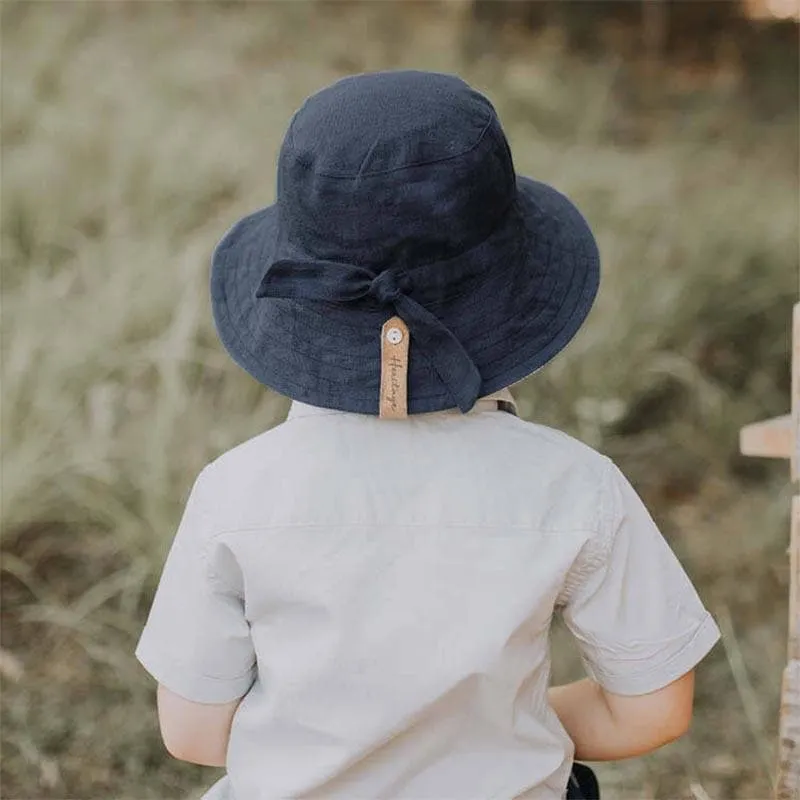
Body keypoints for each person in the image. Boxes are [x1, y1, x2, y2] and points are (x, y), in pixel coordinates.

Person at [135, 70, 721, 800]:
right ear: (514, 286)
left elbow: (193, 734)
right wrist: (493, 733)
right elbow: (655, 711)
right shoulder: (578, 487)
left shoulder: (234, 491)